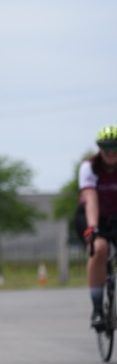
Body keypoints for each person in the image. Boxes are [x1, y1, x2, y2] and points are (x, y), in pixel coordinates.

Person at [78, 126, 117, 330]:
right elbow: (91, 199)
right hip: (93, 216)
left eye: (115, 149)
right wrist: (92, 228)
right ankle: (97, 310)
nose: (111, 153)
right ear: (100, 149)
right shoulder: (90, 167)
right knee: (100, 249)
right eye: (106, 149)